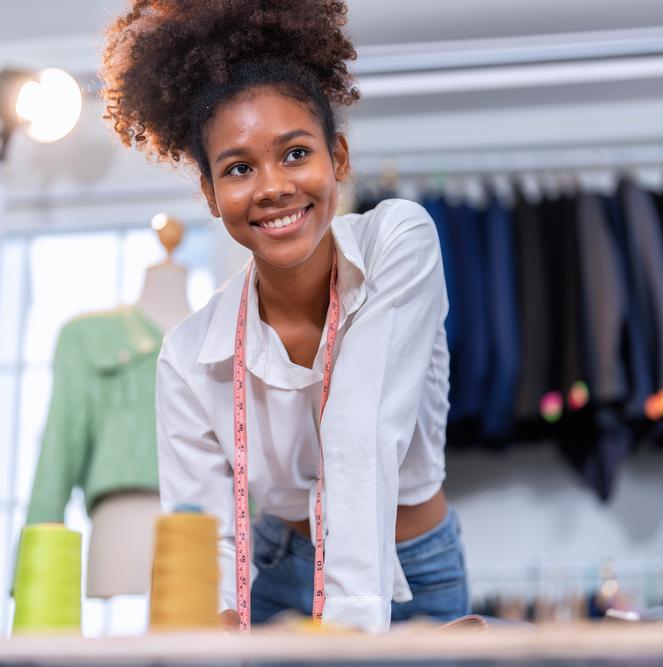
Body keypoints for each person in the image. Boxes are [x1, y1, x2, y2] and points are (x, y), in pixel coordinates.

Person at [101, 0, 468, 633]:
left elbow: (361, 430)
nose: (271, 186)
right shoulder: (190, 357)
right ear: (213, 197)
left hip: (415, 567)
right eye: (239, 168)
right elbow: (205, 531)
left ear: (339, 159)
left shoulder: (397, 244)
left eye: (295, 153)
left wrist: (348, 635)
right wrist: (209, 620)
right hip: (279, 571)